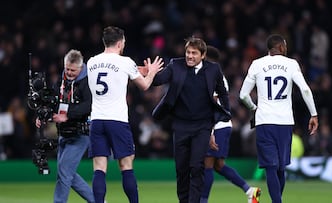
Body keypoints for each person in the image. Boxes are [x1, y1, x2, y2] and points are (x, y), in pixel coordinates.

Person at [86, 26, 163, 203]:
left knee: (99, 168)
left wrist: (137, 69)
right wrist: (150, 72)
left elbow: (114, 70)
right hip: (117, 121)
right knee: (126, 166)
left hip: (97, 120)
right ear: (120, 43)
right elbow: (144, 86)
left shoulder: (91, 62)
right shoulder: (125, 62)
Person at [239, 34, 318, 203]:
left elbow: (243, 95)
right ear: (281, 47)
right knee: (280, 168)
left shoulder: (257, 64)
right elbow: (304, 89)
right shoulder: (291, 64)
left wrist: (254, 108)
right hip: (285, 122)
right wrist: (313, 114)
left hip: (264, 121)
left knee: (270, 167)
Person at [151, 37, 231, 203]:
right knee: (181, 169)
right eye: (188, 52)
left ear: (203, 55)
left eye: (194, 53)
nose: (189, 56)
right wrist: (150, 71)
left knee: (196, 166)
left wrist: (224, 112)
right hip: (180, 126)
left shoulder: (213, 69)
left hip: (202, 126)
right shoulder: (176, 65)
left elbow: (223, 92)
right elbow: (158, 80)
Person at [200, 46, 261, 203]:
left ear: (205, 57)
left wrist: (210, 130)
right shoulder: (215, 75)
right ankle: (250, 191)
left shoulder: (212, 76)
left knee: (207, 163)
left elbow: (212, 105)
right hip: (223, 125)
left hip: (217, 126)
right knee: (218, 165)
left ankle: (203, 200)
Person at [35, 49, 95, 203]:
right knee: (67, 173)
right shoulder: (61, 80)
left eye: (72, 70)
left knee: (64, 171)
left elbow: (89, 105)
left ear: (81, 68)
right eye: (67, 68)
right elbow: (53, 101)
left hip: (81, 133)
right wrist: (43, 116)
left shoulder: (87, 81)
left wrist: (67, 114)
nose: (68, 72)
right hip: (64, 132)